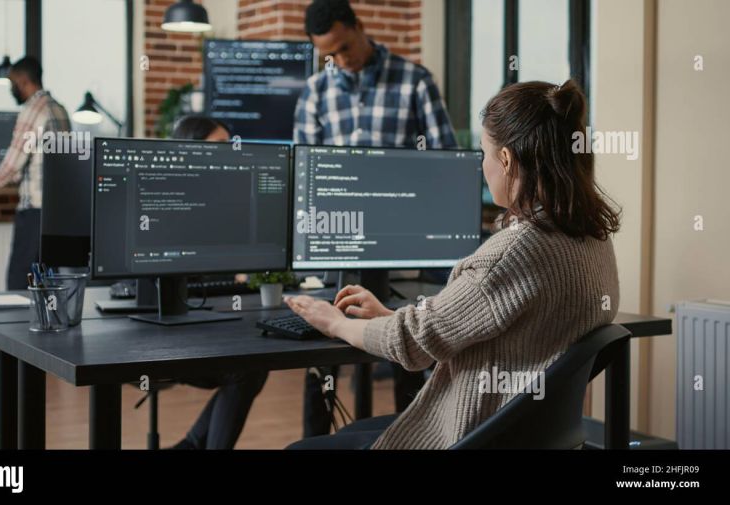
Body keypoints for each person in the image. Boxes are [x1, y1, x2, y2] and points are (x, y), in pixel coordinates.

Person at [284, 79, 622, 449]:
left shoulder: (514, 253)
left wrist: (335, 324)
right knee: (353, 433)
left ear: (506, 160)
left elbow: (412, 344)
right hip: (528, 434)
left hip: (471, 434)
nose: (482, 166)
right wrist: (387, 316)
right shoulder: (593, 236)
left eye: (483, 154)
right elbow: (469, 330)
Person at [294, 0, 459, 438]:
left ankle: (412, 438)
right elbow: (305, 175)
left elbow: (445, 166)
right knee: (322, 350)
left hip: (401, 242)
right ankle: (316, 444)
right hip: (339, 241)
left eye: (345, 48)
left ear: (358, 27)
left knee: (404, 342)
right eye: (329, 54)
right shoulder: (316, 91)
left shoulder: (415, 82)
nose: (340, 61)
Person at [166, 115, 268, 450]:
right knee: (247, 368)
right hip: (172, 332)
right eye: (220, 146)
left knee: (252, 363)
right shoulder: (170, 197)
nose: (232, 153)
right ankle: (194, 444)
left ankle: (192, 445)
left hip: (216, 322)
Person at [0, 56, 70, 369]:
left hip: (35, 210)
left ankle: (9, 354)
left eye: (13, 82)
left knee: (19, 280)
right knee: (47, 283)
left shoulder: (33, 109)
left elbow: (15, 162)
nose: (12, 88)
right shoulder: (59, 109)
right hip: (57, 211)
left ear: (23, 81)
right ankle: (45, 351)